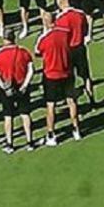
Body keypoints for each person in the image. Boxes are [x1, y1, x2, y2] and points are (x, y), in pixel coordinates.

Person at [34, 10, 82, 145]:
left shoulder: (43, 38)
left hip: (51, 75)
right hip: (67, 71)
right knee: (71, 101)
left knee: (51, 105)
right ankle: (76, 129)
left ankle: (51, 134)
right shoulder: (65, 33)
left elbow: (37, 52)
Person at [0, 29, 34, 154]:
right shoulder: (23, 51)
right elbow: (31, 69)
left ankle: (10, 143)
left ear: (4, 39)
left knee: (8, 116)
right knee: (25, 114)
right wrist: (25, 85)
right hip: (21, 86)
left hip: (7, 87)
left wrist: (3, 86)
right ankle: (29, 142)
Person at [56, 0, 94, 104]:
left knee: (69, 79)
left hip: (69, 50)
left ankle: (72, 103)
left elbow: (61, 37)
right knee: (86, 76)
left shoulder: (61, 19)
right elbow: (85, 30)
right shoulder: (80, 14)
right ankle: (92, 100)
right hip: (80, 47)